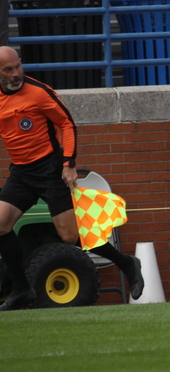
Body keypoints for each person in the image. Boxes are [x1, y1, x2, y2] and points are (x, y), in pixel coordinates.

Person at [0, 46, 144, 311]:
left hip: (49, 169)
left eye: (18, 66)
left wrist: (68, 164)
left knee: (69, 236)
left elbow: (67, 124)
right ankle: (21, 289)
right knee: (0, 224)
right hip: (21, 172)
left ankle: (126, 263)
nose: (16, 73)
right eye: (8, 70)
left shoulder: (39, 92)